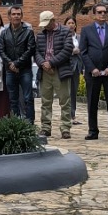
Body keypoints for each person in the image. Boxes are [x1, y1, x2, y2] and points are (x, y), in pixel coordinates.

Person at [79, 3, 108, 141]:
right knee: (92, 102)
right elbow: (83, 51)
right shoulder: (86, 30)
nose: (103, 14)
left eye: (105, 12)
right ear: (94, 14)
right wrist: (92, 68)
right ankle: (93, 130)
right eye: (99, 12)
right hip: (93, 73)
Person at [36, 11, 77, 139]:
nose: (45, 26)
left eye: (47, 23)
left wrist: (52, 63)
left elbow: (67, 50)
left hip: (61, 71)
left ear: (53, 20)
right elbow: (36, 51)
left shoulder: (65, 31)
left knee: (65, 100)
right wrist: (43, 63)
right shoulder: (40, 34)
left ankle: (65, 128)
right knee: (45, 101)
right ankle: (46, 127)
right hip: (45, 71)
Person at [0, 5, 37, 122]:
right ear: (9, 16)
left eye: (18, 14)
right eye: (14, 14)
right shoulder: (4, 33)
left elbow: (30, 50)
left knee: (28, 98)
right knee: (12, 99)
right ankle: (16, 123)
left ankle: (30, 123)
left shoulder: (28, 32)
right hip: (10, 70)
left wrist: (17, 64)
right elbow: (1, 50)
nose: (16, 16)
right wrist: (10, 64)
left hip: (24, 70)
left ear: (22, 16)